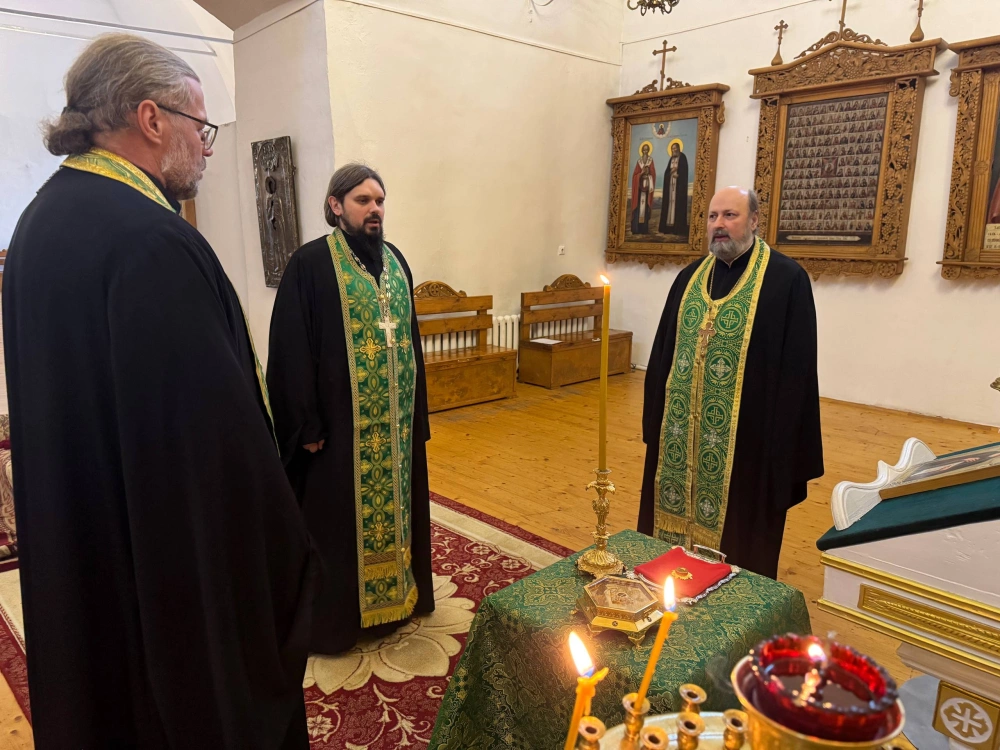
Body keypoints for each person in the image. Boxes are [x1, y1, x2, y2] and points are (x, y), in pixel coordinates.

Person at [2, 34, 317, 748]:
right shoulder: (151, 239)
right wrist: (284, 545)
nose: (206, 147)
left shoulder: (39, 221)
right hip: (164, 587)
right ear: (150, 119)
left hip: (86, 550)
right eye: (200, 126)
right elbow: (213, 449)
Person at [267, 163, 435, 654]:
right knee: (335, 527)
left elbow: (412, 343)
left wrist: (417, 419)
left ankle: (397, 601)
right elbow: (291, 350)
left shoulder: (397, 262)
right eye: (363, 200)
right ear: (336, 205)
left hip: (394, 430)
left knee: (397, 517)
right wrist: (306, 425)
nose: (374, 209)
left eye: (379, 200)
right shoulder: (310, 264)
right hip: (340, 433)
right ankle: (337, 620)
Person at [637, 186, 824, 579]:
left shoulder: (786, 280)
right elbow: (662, 354)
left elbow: (798, 372)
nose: (718, 225)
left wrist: (783, 451)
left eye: (729, 215)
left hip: (748, 447)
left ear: (754, 221)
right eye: (712, 216)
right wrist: (654, 422)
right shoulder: (689, 279)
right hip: (680, 436)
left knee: (741, 543)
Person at [658, 141, 689, 236]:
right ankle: (668, 227)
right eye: (672, 149)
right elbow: (667, 173)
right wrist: (670, 172)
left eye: (675, 148)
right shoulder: (671, 159)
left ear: (679, 148)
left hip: (678, 188)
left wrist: (678, 174)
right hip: (670, 187)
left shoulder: (682, 157)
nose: (674, 150)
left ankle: (677, 227)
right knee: (669, 205)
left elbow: (684, 171)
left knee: (677, 205)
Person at [631, 142, 656, 235]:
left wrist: (649, 175)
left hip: (646, 190)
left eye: (647, 150)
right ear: (642, 151)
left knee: (645, 209)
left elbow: (653, 174)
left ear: (649, 151)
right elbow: (634, 176)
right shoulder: (639, 162)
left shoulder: (650, 161)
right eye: (644, 150)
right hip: (639, 189)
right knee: (638, 209)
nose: (645, 151)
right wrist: (640, 174)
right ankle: (636, 229)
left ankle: (644, 229)